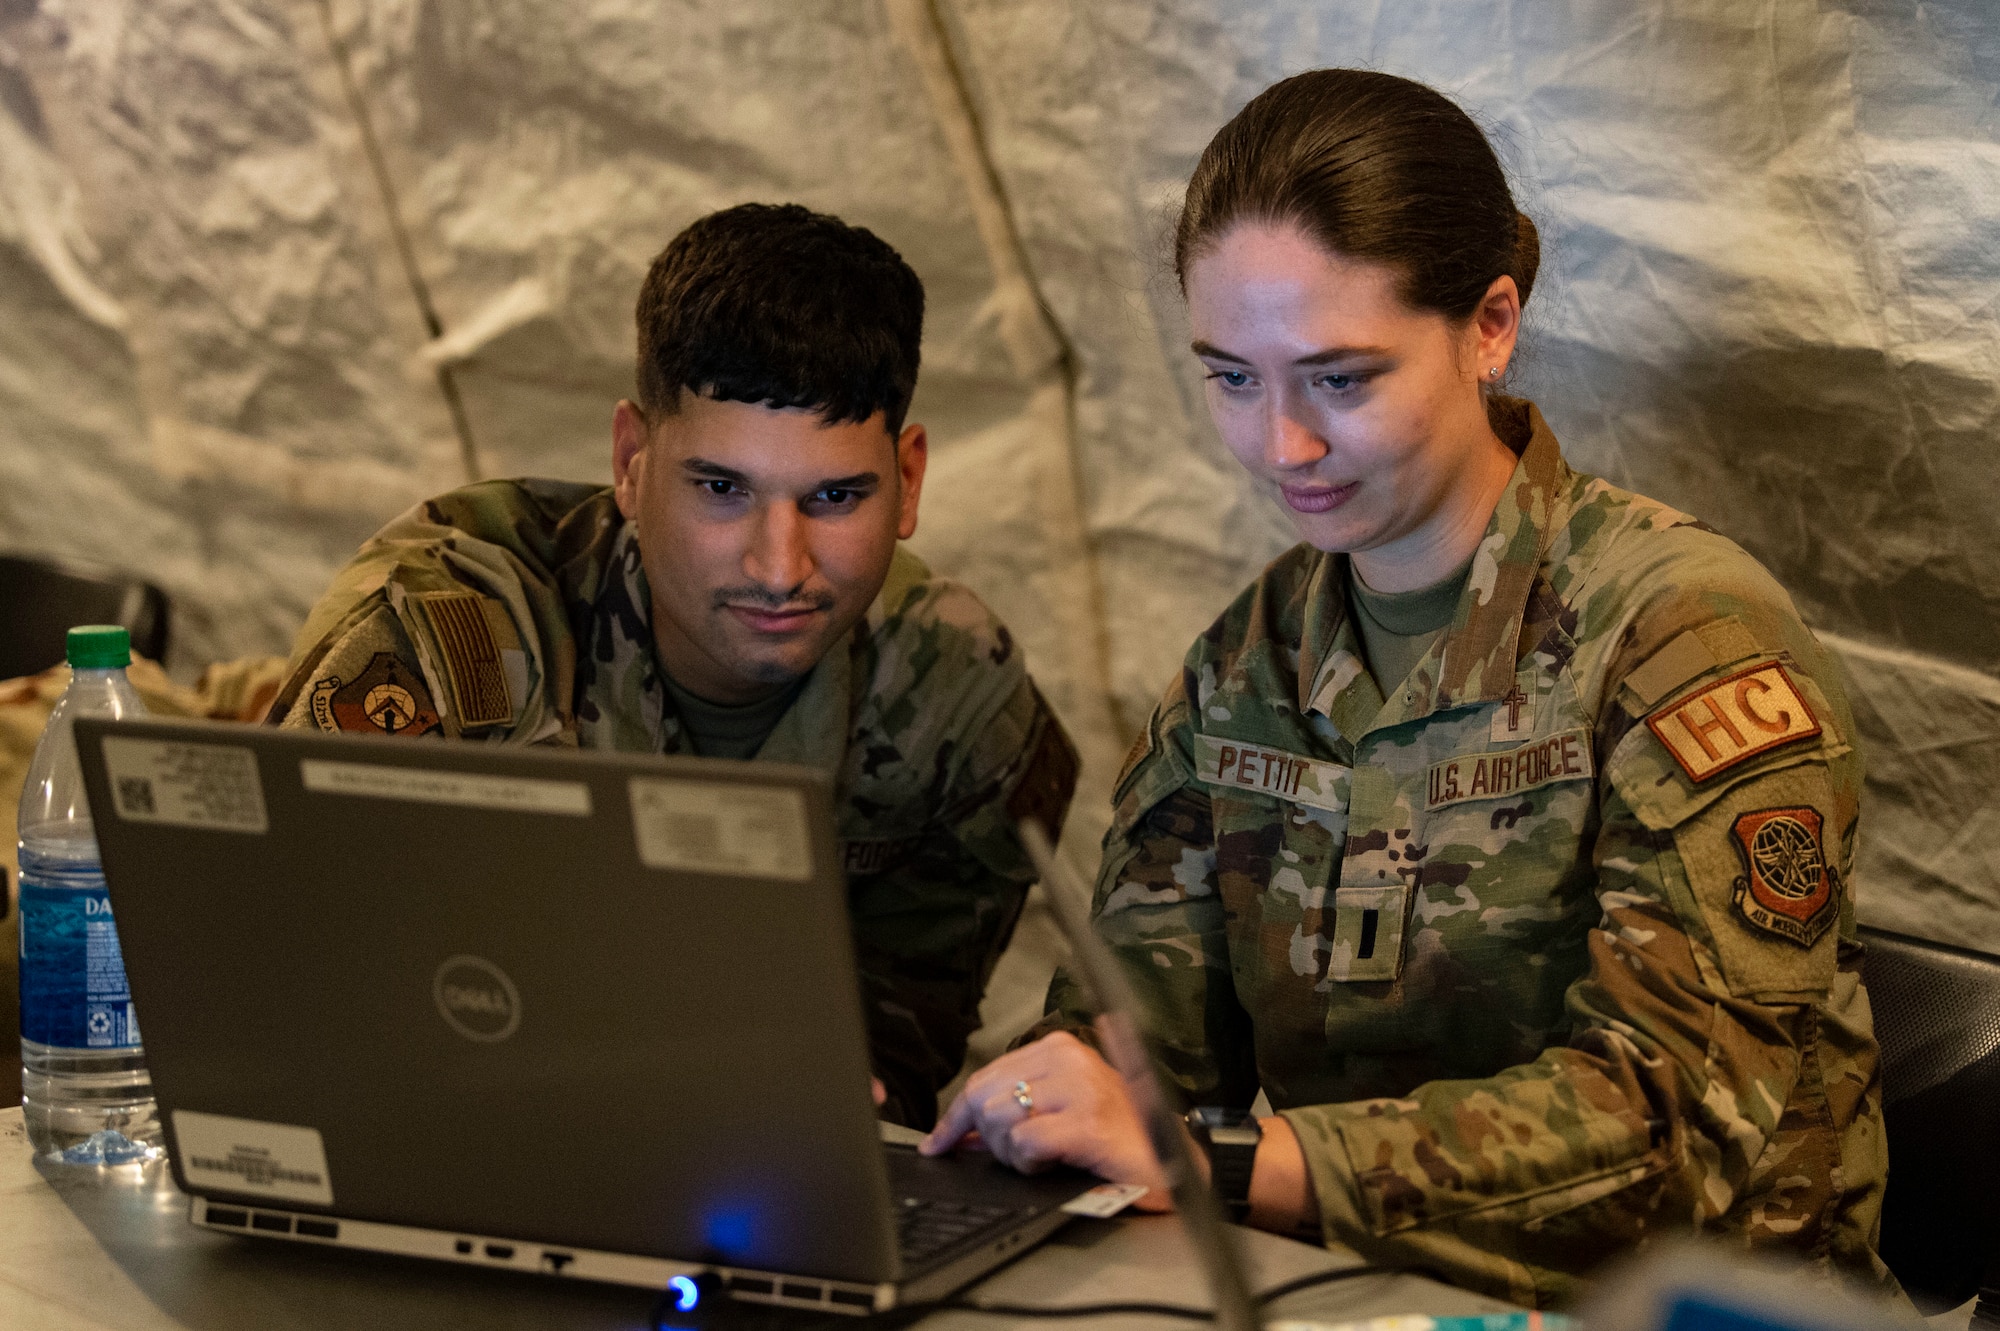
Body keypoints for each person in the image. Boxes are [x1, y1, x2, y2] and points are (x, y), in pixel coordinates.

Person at [923, 70, 1896, 1304]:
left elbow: (1673, 1137)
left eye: (1338, 378)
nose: (1280, 443)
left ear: (1488, 325)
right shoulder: (1247, 666)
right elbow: (1135, 1035)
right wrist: (1039, 1095)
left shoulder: (1682, 638)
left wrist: (1247, 1159)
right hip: (1362, 1297)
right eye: (1230, 377)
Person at [269, 203, 1079, 1129]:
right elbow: (289, 981)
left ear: (909, 480)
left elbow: (893, 1044)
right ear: (630, 460)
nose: (780, 566)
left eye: (835, 495)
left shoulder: (954, 699)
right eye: (722, 489)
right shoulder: (451, 639)